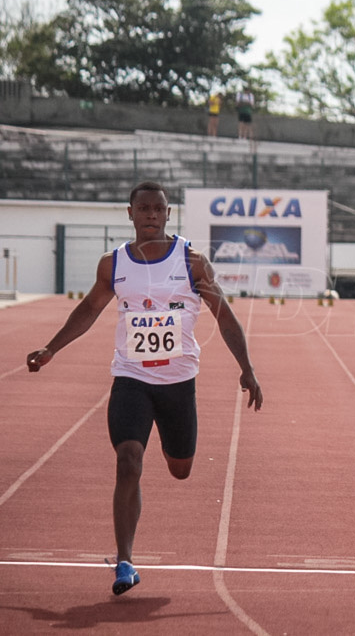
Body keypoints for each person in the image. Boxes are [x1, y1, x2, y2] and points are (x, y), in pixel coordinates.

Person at [26, 180, 263, 595]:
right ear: (130, 213)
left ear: (168, 215)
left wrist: (247, 367)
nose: (151, 215)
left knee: (180, 468)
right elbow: (89, 310)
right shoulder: (113, 264)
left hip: (178, 384)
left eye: (159, 209)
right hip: (131, 379)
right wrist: (51, 348)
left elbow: (224, 316)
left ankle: (160, 483)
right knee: (129, 460)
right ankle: (124, 561)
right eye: (144, 208)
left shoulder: (192, 262)